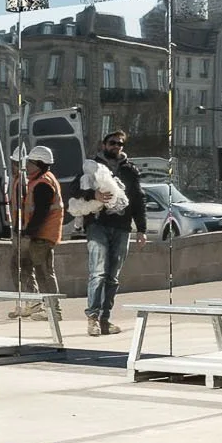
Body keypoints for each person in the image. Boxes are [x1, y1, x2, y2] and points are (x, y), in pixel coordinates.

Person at [83, 130, 147, 336]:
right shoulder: (92, 167)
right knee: (98, 272)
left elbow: (138, 200)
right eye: (112, 143)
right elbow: (74, 189)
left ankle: (105, 320)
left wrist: (142, 229)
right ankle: (92, 317)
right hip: (97, 224)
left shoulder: (130, 170)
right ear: (104, 145)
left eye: (120, 144)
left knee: (112, 276)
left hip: (122, 227)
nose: (116, 146)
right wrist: (93, 194)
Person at [10, 147, 62, 319]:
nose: (26, 165)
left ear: (39, 164)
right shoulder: (37, 180)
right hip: (37, 234)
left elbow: (41, 212)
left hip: (42, 235)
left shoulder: (43, 184)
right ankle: (37, 304)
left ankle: (53, 311)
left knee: (44, 273)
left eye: (30, 162)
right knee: (32, 270)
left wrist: (28, 232)